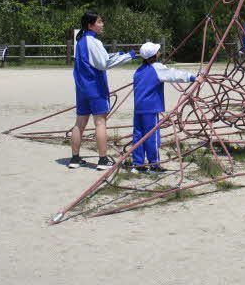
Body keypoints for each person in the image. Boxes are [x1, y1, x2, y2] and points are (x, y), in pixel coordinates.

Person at [69, 12, 136, 170]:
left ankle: (75, 158)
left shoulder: (81, 41)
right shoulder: (93, 41)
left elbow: (97, 58)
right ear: (90, 25)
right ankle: (103, 160)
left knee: (79, 124)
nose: (102, 24)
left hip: (82, 89)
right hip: (96, 88)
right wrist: (128, 57)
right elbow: (103, 64)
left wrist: (115, 54)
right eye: (99, 22)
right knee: (100, 123)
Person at [131, 42, 198, 173]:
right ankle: (154, 165)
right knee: (152, 136)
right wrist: (193, 78)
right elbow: (174, 74)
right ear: (156, 54)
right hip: (151, 108)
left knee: (138, 135)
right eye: (158, 51)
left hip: (139, 108)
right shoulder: (158, 68)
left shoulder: (138, 70)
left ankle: (138, 164)